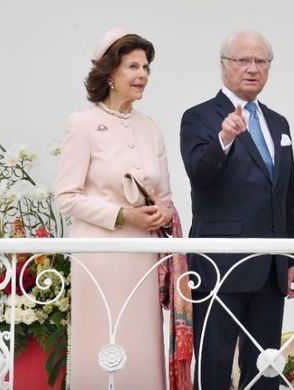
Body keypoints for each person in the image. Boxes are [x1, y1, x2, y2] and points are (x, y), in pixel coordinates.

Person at [56, 28, 191, 389]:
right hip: (99, 256)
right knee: (99, 345)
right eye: (133, 66)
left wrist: (163, 212)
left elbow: (165, 196)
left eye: (146, 67)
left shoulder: (150, 128)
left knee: (141, 346)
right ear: (110, 73)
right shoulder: (81, 124)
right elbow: (66, 197)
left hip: (143, 258)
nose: (142, 75)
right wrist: (122, 215)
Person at [179, 30, 294, 390]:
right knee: (214, 363)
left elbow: (286, 197)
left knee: (266, 365)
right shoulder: (199, 117)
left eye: (260, 61)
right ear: (224, 66)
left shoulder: (278, 123)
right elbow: (199, 176)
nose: (252, 69)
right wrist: (224, 139)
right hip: (221, 263)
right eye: (243, 61)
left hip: (270, 266)